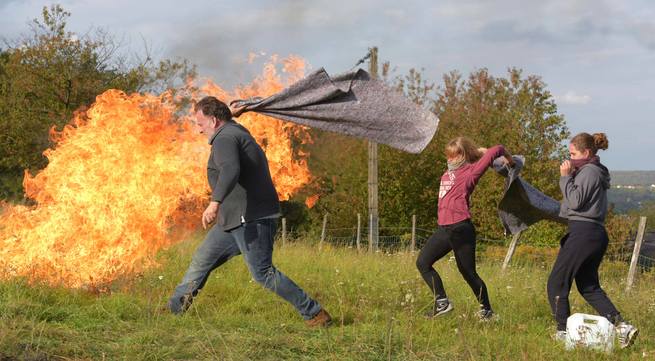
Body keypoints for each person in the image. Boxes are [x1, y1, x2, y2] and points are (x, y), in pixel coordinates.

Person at [167, 96, 331, 327]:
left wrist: (214, 202)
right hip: (233, 220)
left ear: (213, 120)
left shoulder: (224, 139)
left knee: (263, 273)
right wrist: (232, 114)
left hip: (251, 218)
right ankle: (174, 311)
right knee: (202, 260)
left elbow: (230, 169)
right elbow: (227, 132)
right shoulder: (233, 130)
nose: (198, 129)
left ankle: (314, 313)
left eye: (200, 123)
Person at [548, 132, 638, 347]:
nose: (569, 159)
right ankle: (622, 327)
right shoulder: (590, 171)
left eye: (573, 154)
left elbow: (576, 202)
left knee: (557, 283)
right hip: (591, 233)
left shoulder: (589, 171)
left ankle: (563, 333)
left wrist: (565, 177)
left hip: (584, 233)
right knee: (588, 286)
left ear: (586, 152)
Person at [416, 137, 514, 320]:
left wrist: (509, 160)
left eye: (453, 156)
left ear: (462, 156)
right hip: (444, 229)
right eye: (448, 156)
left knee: (468, 272)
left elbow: (498, 148)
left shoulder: (471, 172)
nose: (449, 160)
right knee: (423, 263)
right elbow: (481, 152)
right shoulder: (449, 172)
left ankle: (487, 311)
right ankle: (442, 302)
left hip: (461, 228)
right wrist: (479, 151)